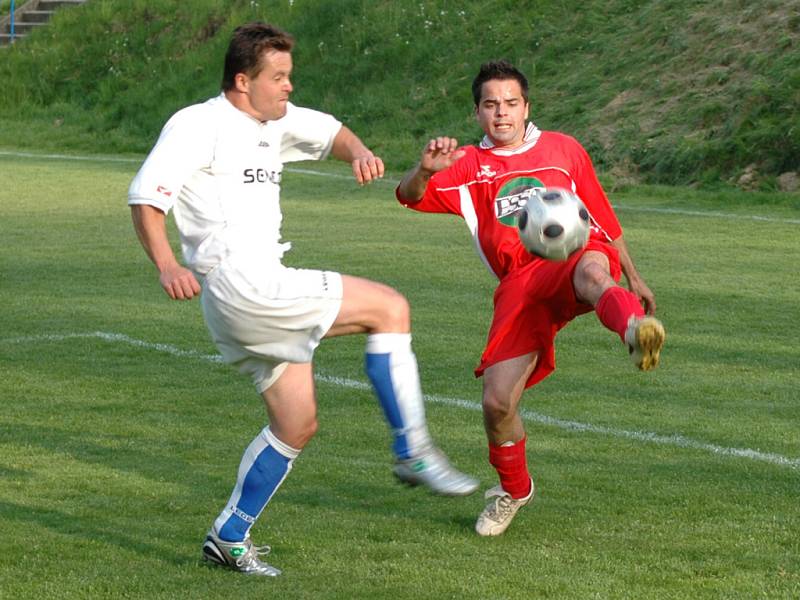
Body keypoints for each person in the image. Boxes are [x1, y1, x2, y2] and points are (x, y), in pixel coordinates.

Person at [128, 22, 477, 577]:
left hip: (243, 296)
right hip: (243, 283)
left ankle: (229, 534)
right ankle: (413, 453)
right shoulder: (197, 124)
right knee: (389, 307)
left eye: (290, 75)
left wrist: (359, 151)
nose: (289, 86)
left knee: (296, 423)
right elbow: (146, 198)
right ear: (243, 81)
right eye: (279, 77)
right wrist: (168, 264)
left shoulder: (277, 121)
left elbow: (331, 131)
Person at [396, 60, 665, 537]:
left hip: (576, 256)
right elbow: (407, 196)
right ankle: (513, 490)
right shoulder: (466, 166)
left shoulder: (564, 150)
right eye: (490, 105)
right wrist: (423, 169)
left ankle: (631, 328)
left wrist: (637, 277)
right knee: (497, 404)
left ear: (527, 107)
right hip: (521, 284)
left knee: (592, 273)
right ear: (477, 112)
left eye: (511, 103)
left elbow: (602, 218)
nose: (501, 113)